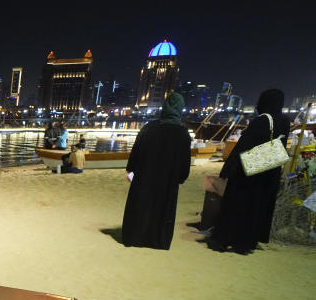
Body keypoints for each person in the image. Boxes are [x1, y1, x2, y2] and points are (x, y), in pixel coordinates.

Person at [209, 89, 290, 254]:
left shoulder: (261, 121)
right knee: (258, 207)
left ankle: (225, 239)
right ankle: (248, 241)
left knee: (238, 204)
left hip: (250, 171)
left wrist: (228, 170)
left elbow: (242, 148)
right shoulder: (284, 120)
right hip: (270, 169)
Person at [121, 92, 192, 250]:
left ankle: (135, 238)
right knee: (162, 210)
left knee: (141, 207)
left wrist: (132, 170)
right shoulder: (182, 134)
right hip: (167, 182)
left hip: (144, 179)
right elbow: (184, 166)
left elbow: (135, 156)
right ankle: (157, 241)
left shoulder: (149, 129)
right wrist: (180, 177)